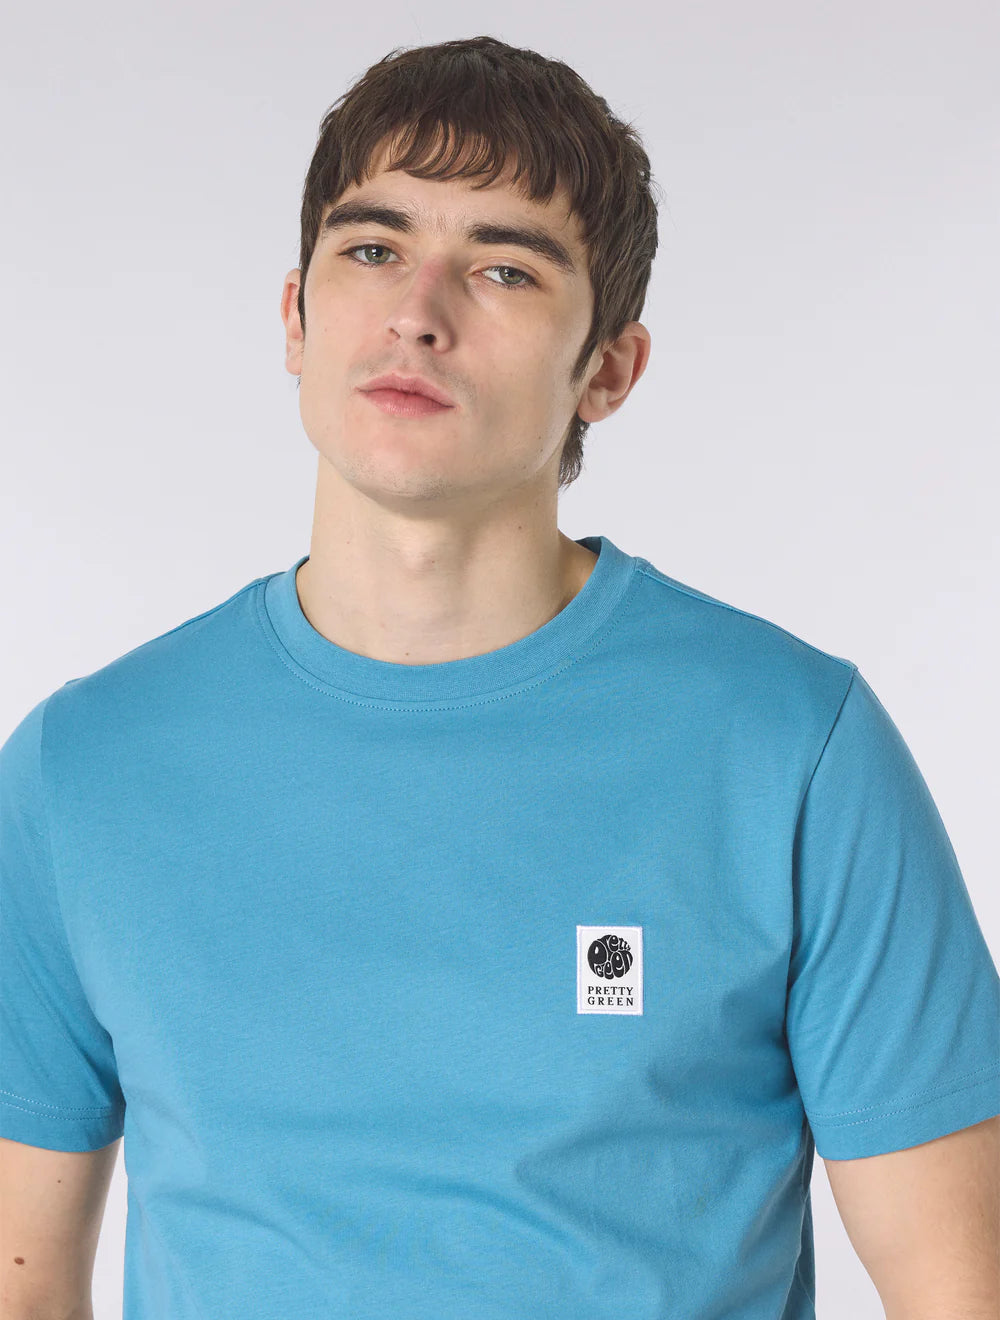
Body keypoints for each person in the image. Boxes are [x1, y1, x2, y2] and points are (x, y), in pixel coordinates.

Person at [2, 34, 997, 1320]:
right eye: (372, 250)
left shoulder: (793, 747)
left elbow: (958, 1290)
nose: (419, 311)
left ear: (608, 371)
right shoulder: (83, 768)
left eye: (504, 268)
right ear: (294, 317)